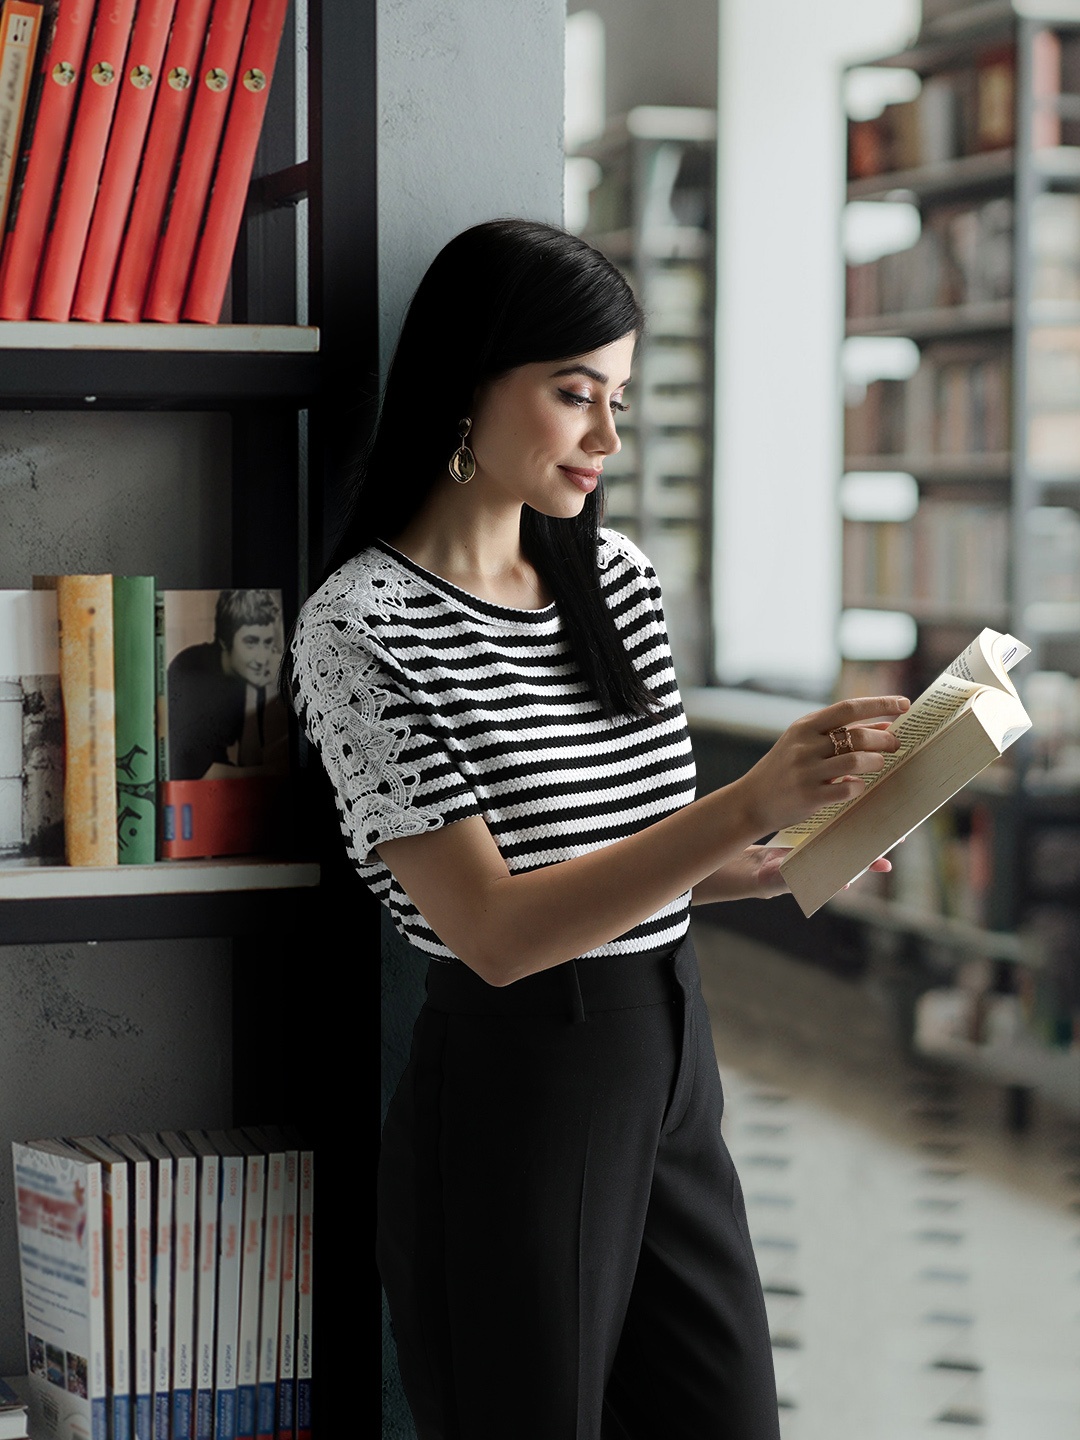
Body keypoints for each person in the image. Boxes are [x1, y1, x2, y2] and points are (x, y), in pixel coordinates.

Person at [287, 218, 908, 1440]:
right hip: (519, 1080)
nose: (607, 439)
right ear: (469, 385)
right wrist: (746, 804)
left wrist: (774, 867)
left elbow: (633, 849)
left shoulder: (612, 576)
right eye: (576, 394)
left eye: (618, 397)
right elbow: (497, 934)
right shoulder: (361, 630)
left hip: (672, 1050)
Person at [167, 588, 288, 781]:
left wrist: (257, 690)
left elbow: (249, 760)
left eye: (267, 643)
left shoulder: (241, 674)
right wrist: (272, 771)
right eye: (251, 642)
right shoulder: (191, 670)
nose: (262, 657)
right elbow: (200, 775)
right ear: (225, 640)